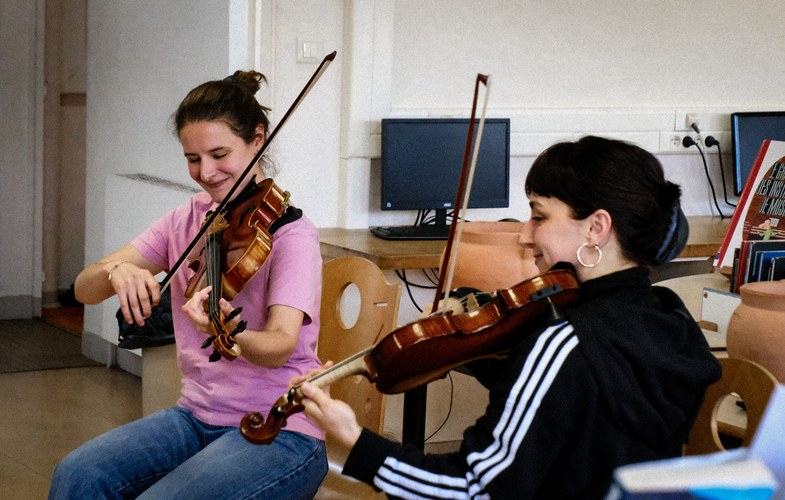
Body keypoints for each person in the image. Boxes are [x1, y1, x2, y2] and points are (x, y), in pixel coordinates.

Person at [295, 135, 722, 499]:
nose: (523, 234)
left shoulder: (564, 344)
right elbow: (576, 406)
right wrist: (471, 350)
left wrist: (353, 440)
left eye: (539, 215)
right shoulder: (672, 319)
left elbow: (474, 489)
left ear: (596, 227)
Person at [49, 70, 328, 499]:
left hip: (280, 427)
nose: (207, 172)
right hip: (195, 416)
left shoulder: (291, 234)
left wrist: (231, 329)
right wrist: (116, 271)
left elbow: (280, 345)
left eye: (220, 154)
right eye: (193, 159)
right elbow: (86, 290)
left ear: (257, 140)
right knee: (78, 475)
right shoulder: (188, 219)